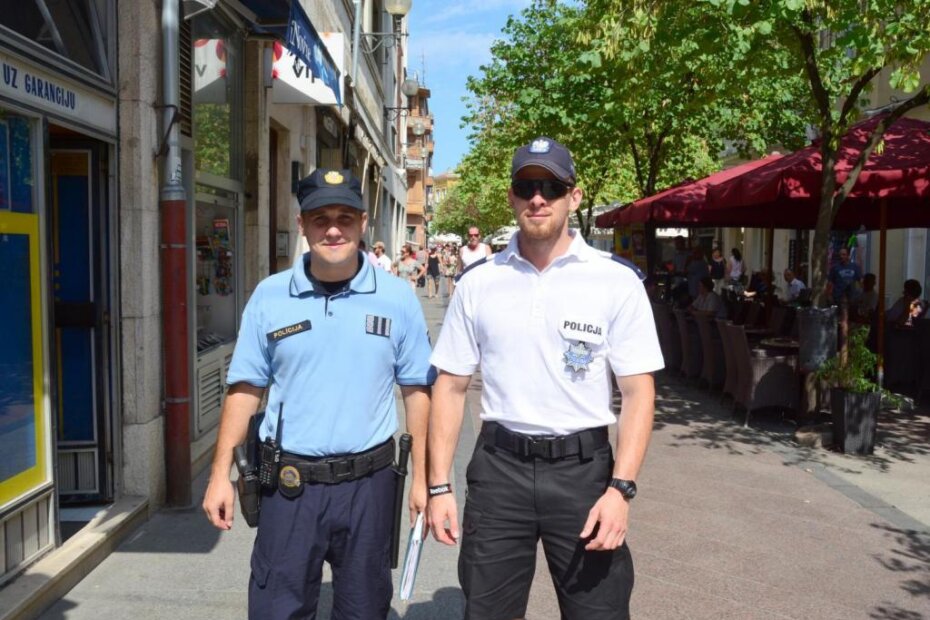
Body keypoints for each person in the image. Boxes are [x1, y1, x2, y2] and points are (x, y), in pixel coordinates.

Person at [427, 137, 664, 620]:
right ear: (513, 197)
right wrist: (438, 487)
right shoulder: (478, 282)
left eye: (552, 187)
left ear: (572, 197)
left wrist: (621, 490)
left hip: (583, 474)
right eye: (527, 186)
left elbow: (639, 394)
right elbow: (448, 388)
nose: (539, 198)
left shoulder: (615, 281)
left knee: (598, 612)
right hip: (499, 472)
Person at [201, 168, 434, 620]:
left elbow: (416, 393)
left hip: (369, 487)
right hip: (289, 489)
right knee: (276, 610)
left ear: (363, 223)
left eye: (345, 217)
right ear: (302, 223)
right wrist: (218, 475)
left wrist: (423, 478)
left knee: (364, 611)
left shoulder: (397, 298)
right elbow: (245, 388)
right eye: (320, 217)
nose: (332, 229)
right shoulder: (270, 297)